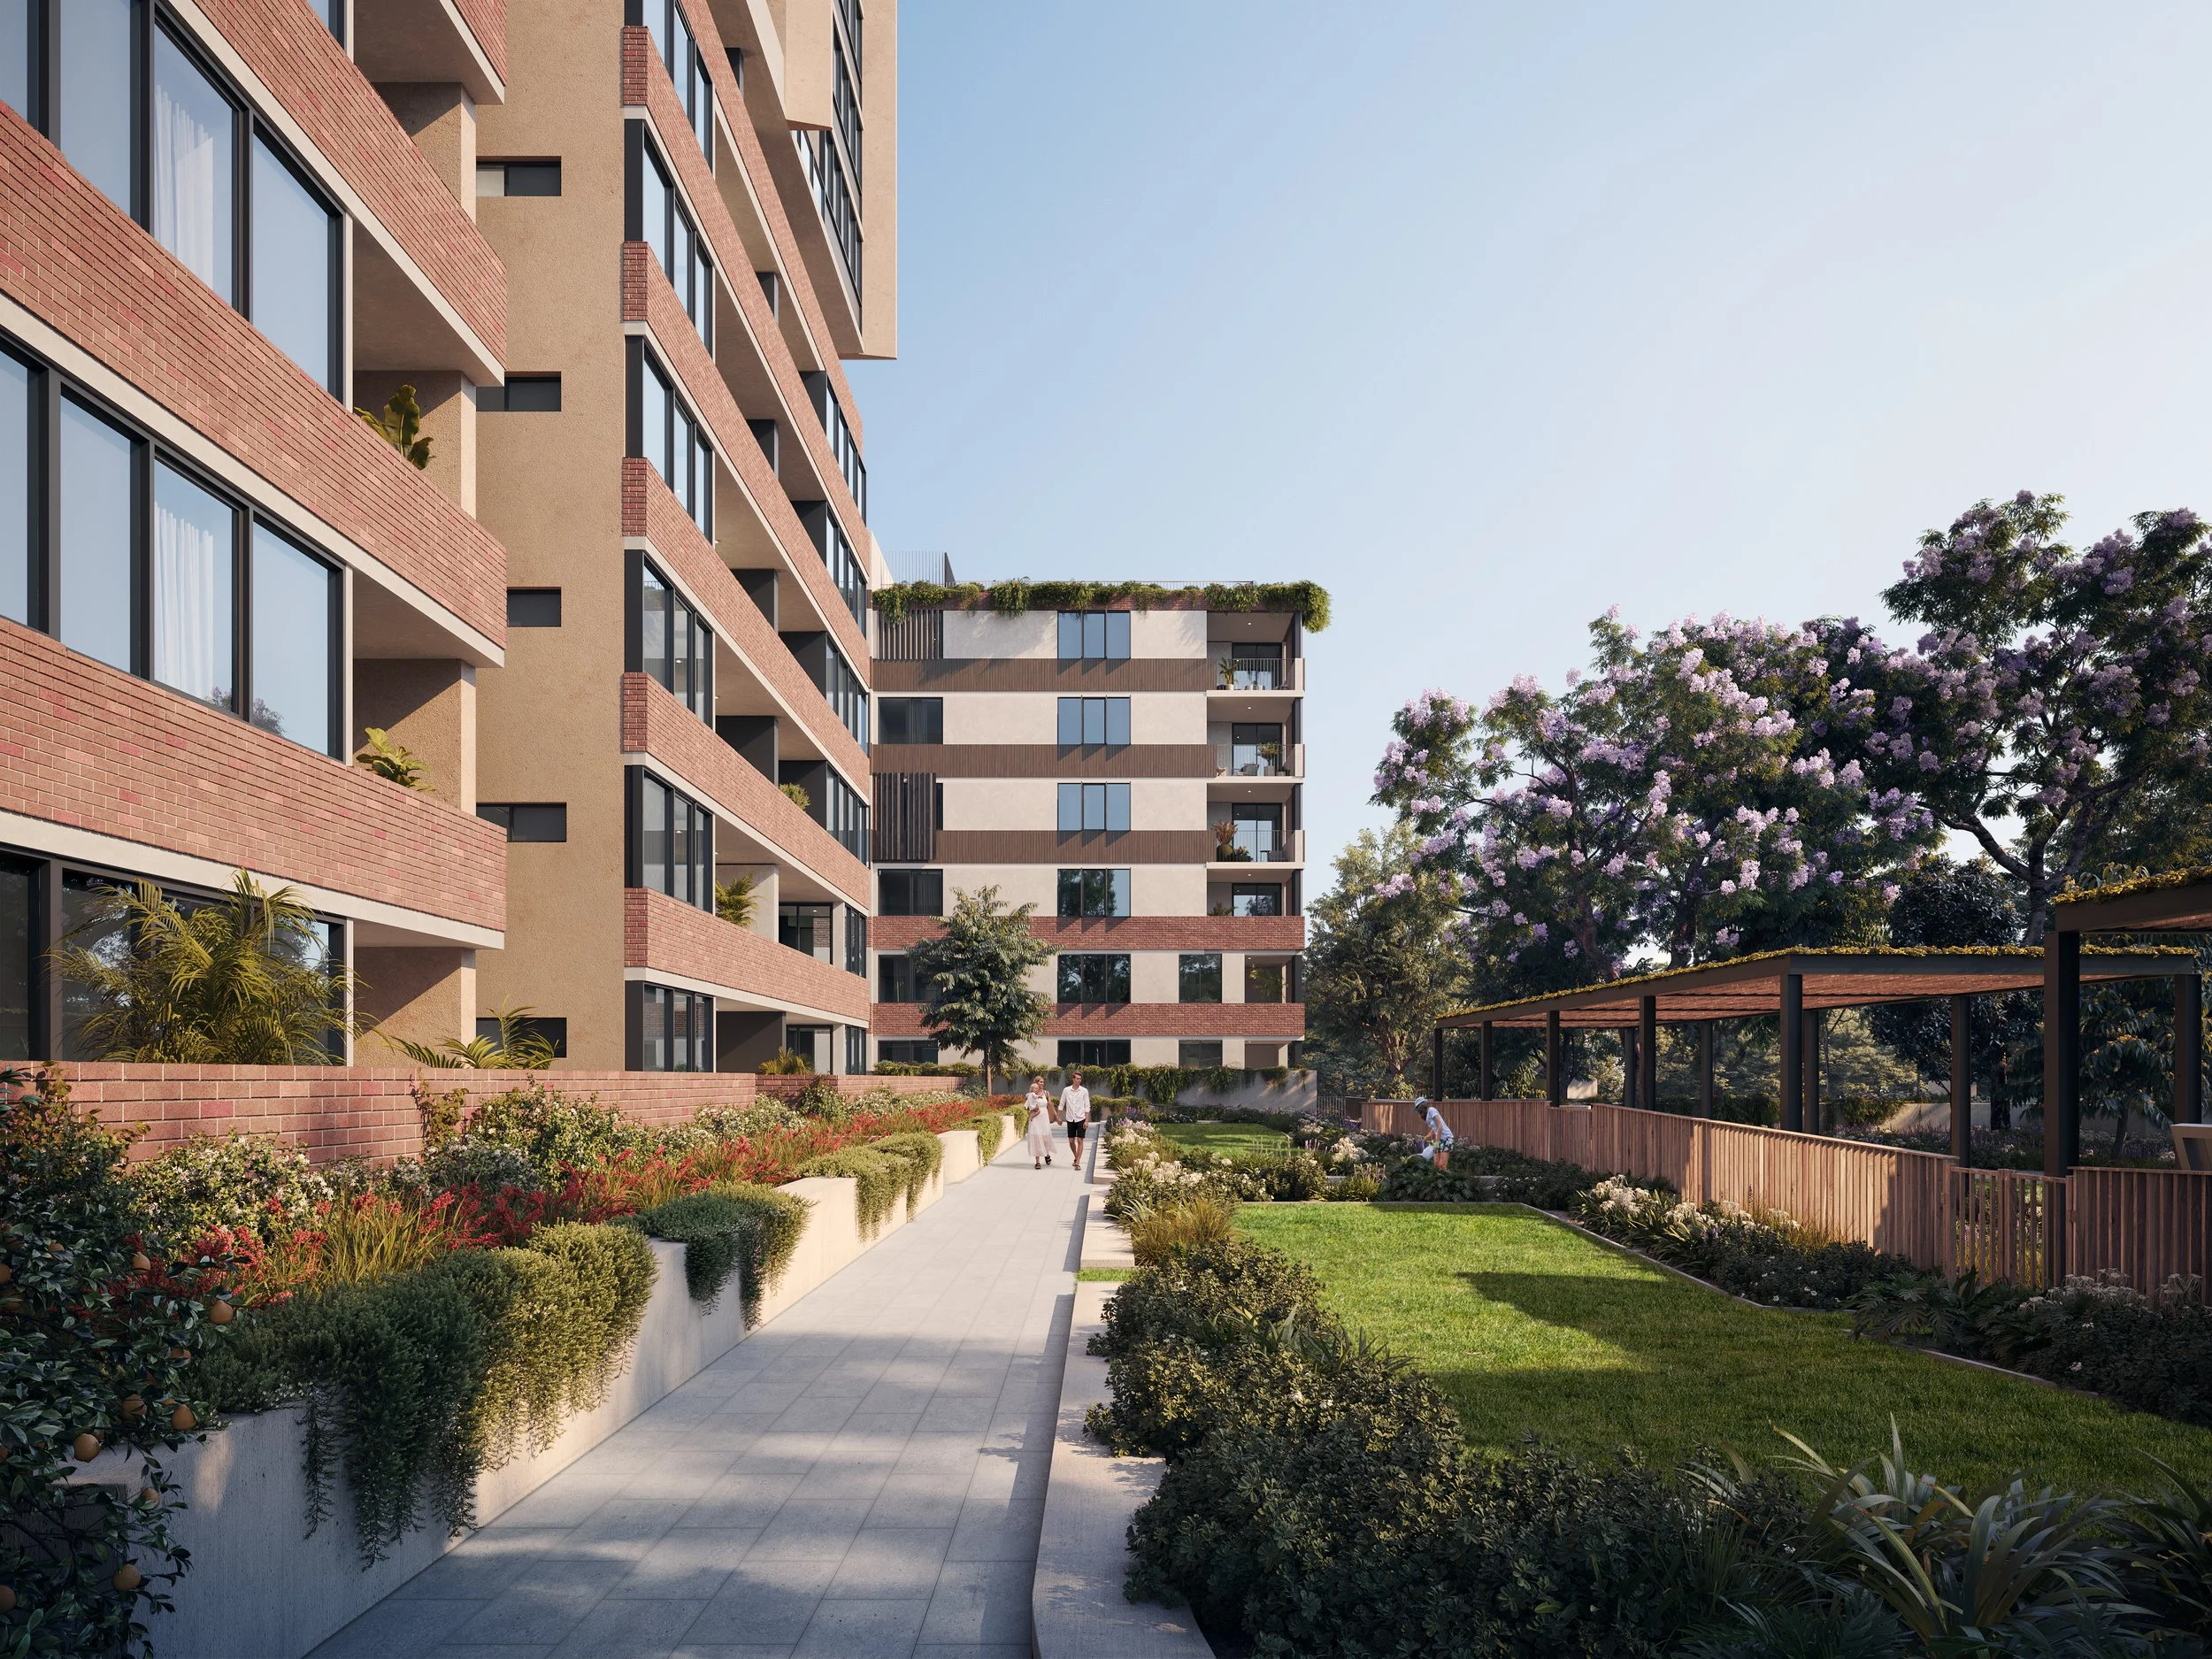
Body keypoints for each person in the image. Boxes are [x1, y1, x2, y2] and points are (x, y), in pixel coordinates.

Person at [1060, 1070, 1093, 1163]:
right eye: (1077, 1079)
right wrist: (1058, 1117)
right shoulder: (1066, 1090)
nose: (1079, 1080)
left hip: (1081, 1118)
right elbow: (1061, 1104)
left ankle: (1077, 1162)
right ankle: (1076, 1156)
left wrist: (1086, 1121)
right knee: (1071, 1141)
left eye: (1080, 1079)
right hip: (1070, 1119)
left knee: (1080, 1141)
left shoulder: (1084, 1091)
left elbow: (1087, 1106)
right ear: (1073, 1079)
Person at [1024, 1076, 1056, 1169]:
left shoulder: (1046, 1093)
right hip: (1035, 1118)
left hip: (1044, 1117)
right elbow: (1028, 1105)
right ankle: (1037, 1161)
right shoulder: (1031, 1094)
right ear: (1036, 1083)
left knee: (1045, 1136)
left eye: (1043, 1082)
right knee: (1036, 1138)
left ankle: (1047, 1154)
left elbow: (1050, 1104)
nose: (1043, 1083)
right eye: (1041, 1082)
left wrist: (1056, 1115)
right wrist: (1032, 1111)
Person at [1416, 1096, 1454, 1171]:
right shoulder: (1426, 1117)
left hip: (1447, 1138)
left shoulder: (1432, 1111)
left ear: (1422, 1106)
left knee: (1442, 1165)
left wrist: (1436, 1143)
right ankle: (1440, 1180)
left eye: (1418, 1108)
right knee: (1436, 1164)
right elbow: (1434, 1129)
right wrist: (1426, 1137)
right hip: (1439, 1140)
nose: (1418, 1111)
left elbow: (1440, 1127)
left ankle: (1449, 1180)